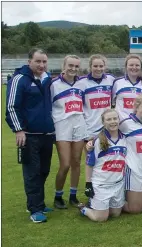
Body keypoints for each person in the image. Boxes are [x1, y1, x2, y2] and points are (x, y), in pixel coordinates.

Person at [5, 48, 55, 223]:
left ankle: (38, 204)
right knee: (32, 173)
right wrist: (19, 130)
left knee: (44, 170)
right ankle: (34, 209)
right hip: (29, 136)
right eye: (38, 61)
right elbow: (11, 107)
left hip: (47, 134)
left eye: (44, 62)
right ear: (29, 62)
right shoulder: (20, 79)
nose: (41, 65)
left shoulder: (46, 79)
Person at [50, 55, 86, 209]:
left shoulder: (82, 83)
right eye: (70, 65)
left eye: (76, 66)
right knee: (65, 164)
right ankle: (58, 196)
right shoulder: (53, 84)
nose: (73, 68)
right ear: (64, 65)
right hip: (61, 125)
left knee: (76, 162)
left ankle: (73, 196)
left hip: (79, 123)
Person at [80, 109, 125, 222]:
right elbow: (89, 164)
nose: (112, 121)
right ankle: (84, 208)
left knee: (115, 214)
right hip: (101, 185)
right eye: (108, 119)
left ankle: (98, 204)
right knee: (101, 218)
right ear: (103, 122)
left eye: (115, 118)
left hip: (117, 184)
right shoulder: (97, 141)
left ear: (119, 120)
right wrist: (88, 184)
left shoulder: (125, 138)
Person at [82, 54, 115, 141]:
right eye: (95, 66)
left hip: (107, 125)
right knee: (91, 154)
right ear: (90, 66)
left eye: (101, 66)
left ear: (105, 67)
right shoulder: (82, 82)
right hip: (90, 126)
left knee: (107, 153)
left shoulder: (110, 79)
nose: (98, 69)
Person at [112, 54, 142, 121]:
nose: (134, 67)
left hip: (138, 123)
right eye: (131, 65)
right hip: (122, 124)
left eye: (137, 65)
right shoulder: (117, 82)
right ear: (126, 67)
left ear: (141, 68)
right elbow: (112, 103)